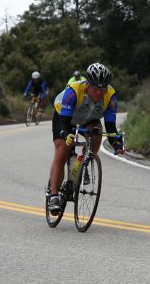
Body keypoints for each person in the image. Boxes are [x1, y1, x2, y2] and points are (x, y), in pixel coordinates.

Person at [46, 63, 124, 215]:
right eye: (96, 88)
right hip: (65, 118)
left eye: (103, 89)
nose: (99, 92)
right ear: (87, 84)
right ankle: (54, 196)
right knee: (63, 149)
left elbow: (110, 127)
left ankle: (85, 160)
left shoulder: (110, 95)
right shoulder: (73, 91)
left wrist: (117, 144)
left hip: (89, 119)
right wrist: (66, 135)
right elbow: (64, 123)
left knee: (97, 133)